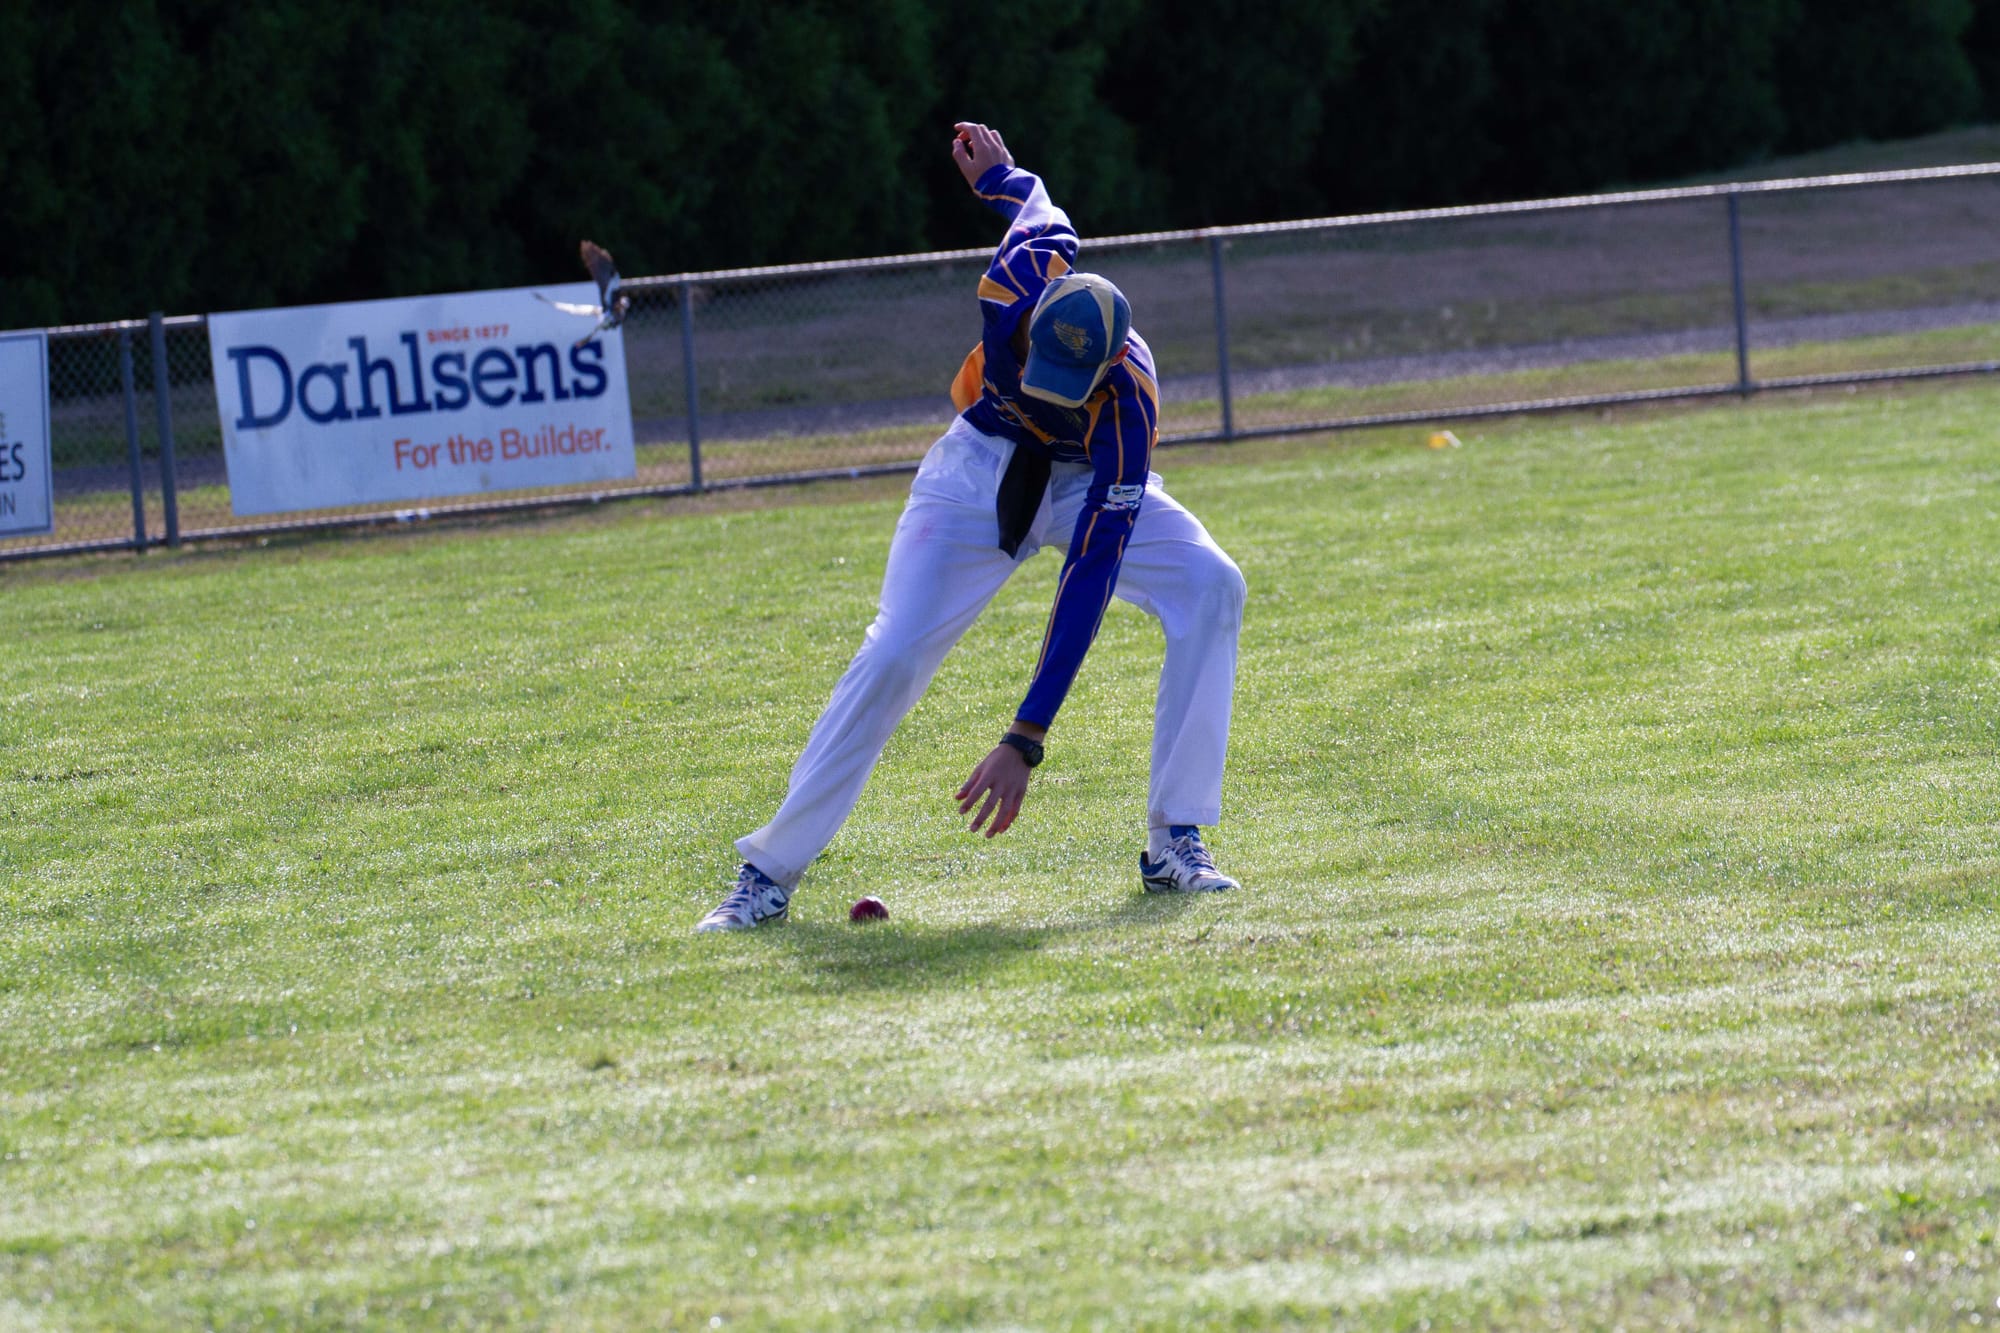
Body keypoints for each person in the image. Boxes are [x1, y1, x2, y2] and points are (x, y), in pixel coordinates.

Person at [695, 122, 1247, 932]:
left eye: (1074, 383)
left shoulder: (1129, 399)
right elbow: (1034, 201)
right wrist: (999, 173)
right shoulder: (1018, 275)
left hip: (1081, 480)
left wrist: (1026, 735)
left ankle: (1175, 839)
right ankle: (766, 871)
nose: (1055, 388)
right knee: (894, 650)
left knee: (1212, 583)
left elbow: (1091, 569)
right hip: (978, 466)